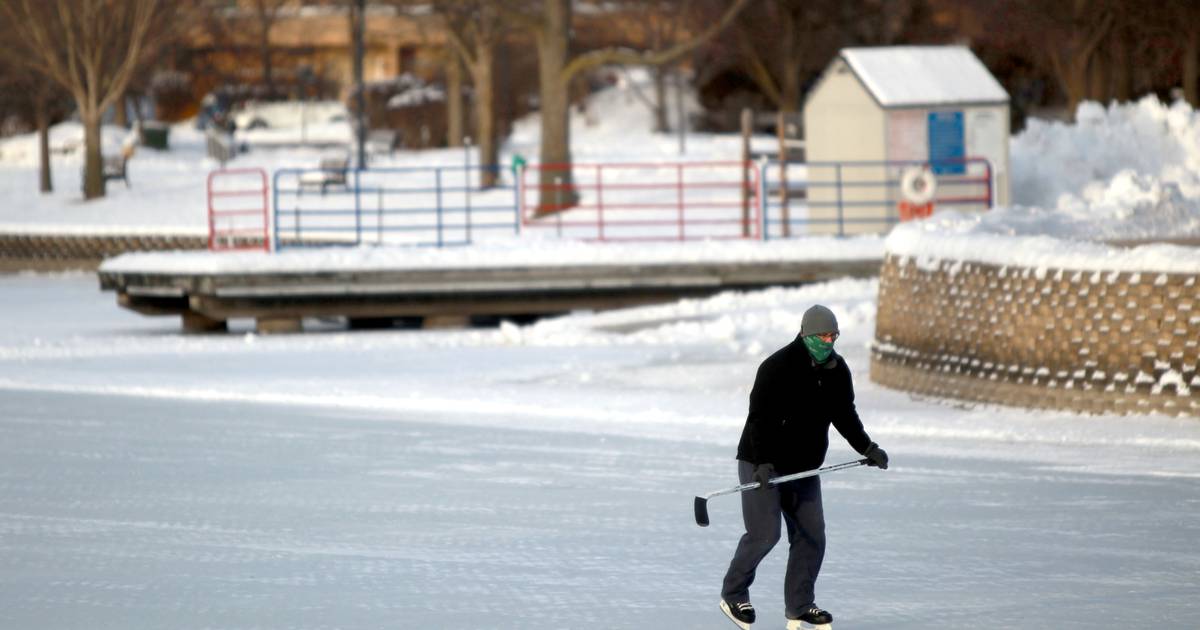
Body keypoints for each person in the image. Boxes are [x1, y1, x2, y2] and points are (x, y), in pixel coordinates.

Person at [719, 304, 889, 630]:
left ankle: (799, 605)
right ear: (805, 334)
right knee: (765, 533)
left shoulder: (837, 371)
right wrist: (764, 463)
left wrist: (867, 447)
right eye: (823, 335)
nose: (828, 341)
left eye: (833, 335)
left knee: (812, 536)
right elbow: (759, 420)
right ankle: (733, 593)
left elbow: (845, 415)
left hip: (804, 468)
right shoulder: (777, 367)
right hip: (761, 462)